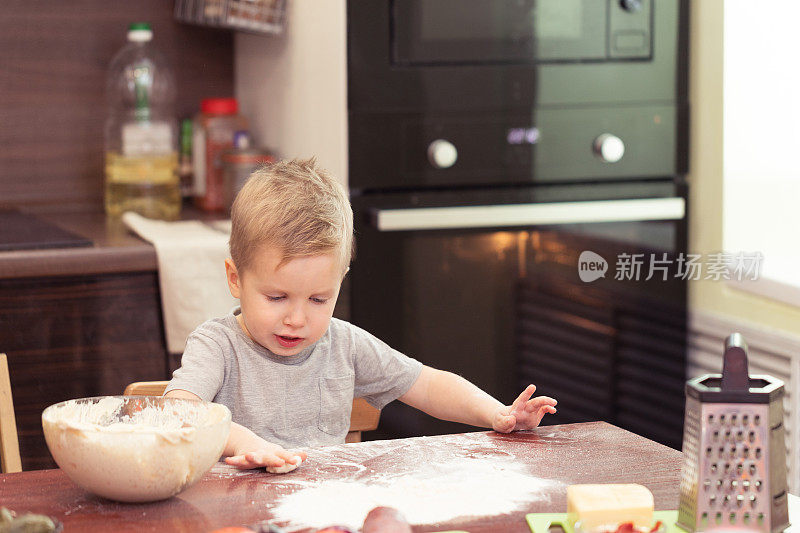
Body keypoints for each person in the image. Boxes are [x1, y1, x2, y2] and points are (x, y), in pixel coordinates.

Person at [164, 158, 557, 470]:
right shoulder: (217, 345)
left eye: (318, 299)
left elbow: (427, 384)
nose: (297, 319)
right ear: (235, 279)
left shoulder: (344, 344)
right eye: (277, 297)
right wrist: (244, 442)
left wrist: (497, 413)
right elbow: (179, 411)